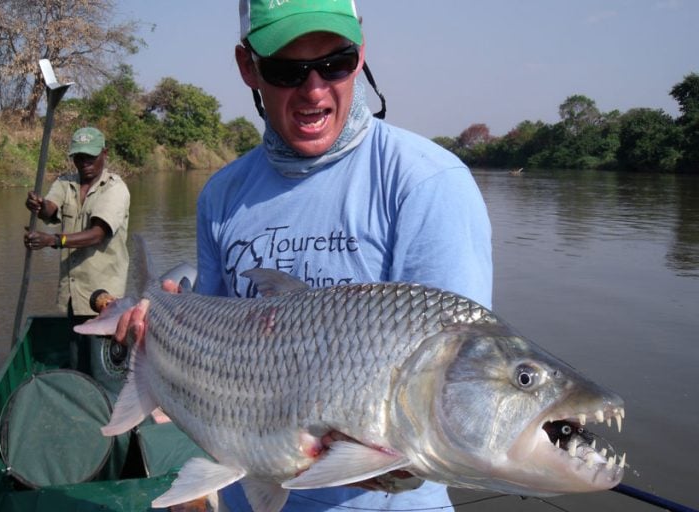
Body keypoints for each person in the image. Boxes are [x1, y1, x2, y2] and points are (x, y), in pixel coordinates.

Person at [119, 1, 492, 510]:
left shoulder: (427, 184)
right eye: (285, 70)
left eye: (334, 62)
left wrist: (367, 457)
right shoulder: (223, 194)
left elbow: (453, 403)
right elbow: (215, 360)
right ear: (247, 67)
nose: (313, 90)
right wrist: (163, 332)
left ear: (360, 55)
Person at [24, 126, 130, 375]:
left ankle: (104, 404)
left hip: (104, 293)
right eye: (79, 157)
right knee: (77, 356)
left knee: (103, 362)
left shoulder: (115, 188)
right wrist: (38, 206)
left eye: (90, 157)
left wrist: (53, 240)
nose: (84, 163)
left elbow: (97, 234)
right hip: (74, 290)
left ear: (105, 153)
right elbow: (50, 209)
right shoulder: (65, 183)